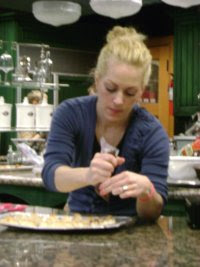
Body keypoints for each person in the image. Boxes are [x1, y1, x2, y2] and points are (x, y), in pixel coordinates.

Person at [42, 26, 169, 221]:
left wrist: (147, 191)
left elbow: (152, 213)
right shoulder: (70, 113)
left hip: (130, 234)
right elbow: (51, 175)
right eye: (110, 88)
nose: (118, 100)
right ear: (97, 79)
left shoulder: (151, 132)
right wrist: (88, 175)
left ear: (142, 91)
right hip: (78, 223)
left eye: (130, 93)